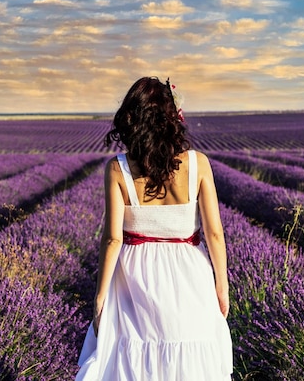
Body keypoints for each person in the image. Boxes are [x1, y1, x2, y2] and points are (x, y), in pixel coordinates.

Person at [76, 77, 233, 380]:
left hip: (135, 275)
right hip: (190, 271)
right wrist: (222, 286)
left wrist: (100, 296)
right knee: (190, 353)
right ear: (172, 117)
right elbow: (215, 233)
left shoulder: (118, 168)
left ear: (132, 118)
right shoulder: (198, 164)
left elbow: (111, 239)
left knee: (133, 357)